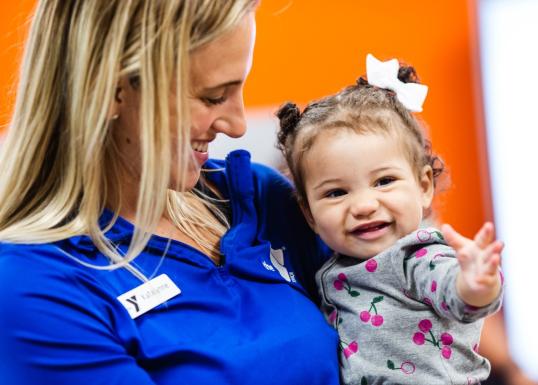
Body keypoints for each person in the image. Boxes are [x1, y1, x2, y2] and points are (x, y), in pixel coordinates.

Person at [0, 1, 340, 384]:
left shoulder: (262, 199)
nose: (237, 125)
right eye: (213, 97)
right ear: (112, 89)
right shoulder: (37, 288)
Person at [275, 53, 504, 385]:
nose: (364, 205)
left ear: (424, 186)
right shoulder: (330, 268)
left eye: (384, 182)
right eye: (337, 193)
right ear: (309, 213)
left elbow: (456, 295)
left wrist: (476, 284)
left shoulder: (418, 257)